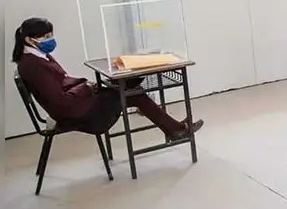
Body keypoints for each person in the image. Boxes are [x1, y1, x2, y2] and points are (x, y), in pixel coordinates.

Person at [12, 17, 202, 139]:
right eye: (46, 36)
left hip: (76, 104)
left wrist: (88, 86)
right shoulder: (32, 65)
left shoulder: (36, 56)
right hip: (76, 114)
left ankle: (173, 127)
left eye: (51, 35)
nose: (50, 40)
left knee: (127, 86)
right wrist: (86, 88)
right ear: (30, 40)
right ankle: (175, 129)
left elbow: (62, 81)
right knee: (134, 93)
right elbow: (60, 101)